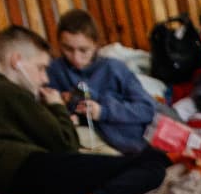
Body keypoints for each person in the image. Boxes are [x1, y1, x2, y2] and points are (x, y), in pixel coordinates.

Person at [0, 26, 169, 194]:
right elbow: (66, 144)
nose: (44, 77)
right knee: (153, 163)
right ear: (16, 61)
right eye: (41, 68)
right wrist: (57, 107)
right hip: (22, 169)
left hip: (12, 170)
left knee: (145, 163)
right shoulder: (5, 91)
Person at [46, 9, 164, 155]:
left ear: (96, 44)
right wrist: (63, 108)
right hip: (85, 140)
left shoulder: (113, 68)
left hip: (129, 140)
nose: (76, 58)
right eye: (68, 49)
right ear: (59, 43)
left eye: (83, 50)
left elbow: (147, 109)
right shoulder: (54, 70)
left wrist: (104, 112)